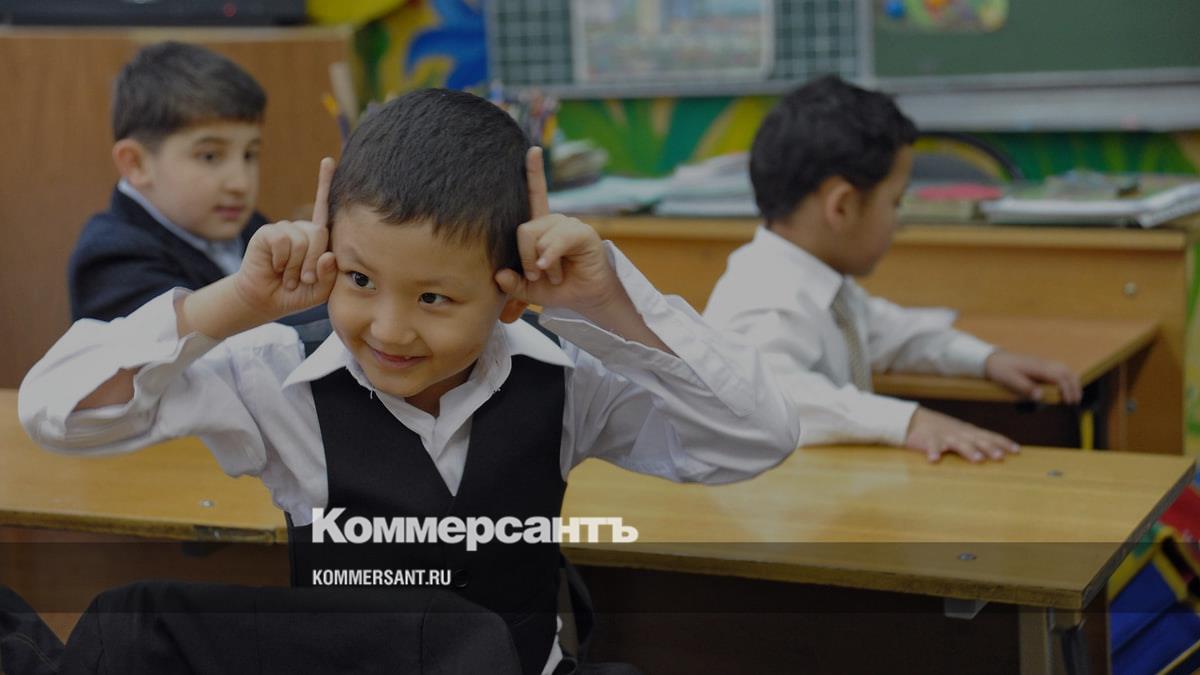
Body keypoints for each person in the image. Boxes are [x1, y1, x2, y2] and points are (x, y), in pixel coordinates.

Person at [21, 89, 798, 675]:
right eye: (359, 279)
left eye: (435, 298)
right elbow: (57, 413)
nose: (389, 330)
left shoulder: (565, 379)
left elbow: (755, 436)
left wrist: (609, 303)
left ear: (512, 292)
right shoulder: (277, 376)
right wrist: (235, 303)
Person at [704, 75, 1081, 463]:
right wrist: (907, 421)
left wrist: (985, 359)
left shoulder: (824, 286)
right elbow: (768, 396)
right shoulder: (764, 296)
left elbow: (894, 335)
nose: (898, 222)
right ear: (842, 206)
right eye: (895, 202)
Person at [68, 41, 324, 331]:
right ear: (136, 163)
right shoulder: (111, 260)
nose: (241, 183)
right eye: (210, 156)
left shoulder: (247, 225)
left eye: (250, 154)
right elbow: (189, 348)